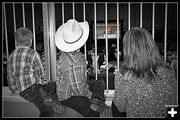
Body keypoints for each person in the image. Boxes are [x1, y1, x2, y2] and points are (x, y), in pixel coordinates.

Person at [112, 27, 177, 117]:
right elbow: (173, 104)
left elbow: (120, 107)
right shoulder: (169, 71)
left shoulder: (123, 75)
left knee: (114, 104)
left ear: (127, 50)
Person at [54, 19, 109, 117]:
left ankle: (96, 101)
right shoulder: (76, 62)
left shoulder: (66, 55)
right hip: (68, 97)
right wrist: (90, 95)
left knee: (98, 83)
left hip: (67, 90)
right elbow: (78, 89)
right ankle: (95, 104)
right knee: (92, 111)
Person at [6, 27, 57, 117]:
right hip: (31, 89)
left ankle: (48, 96)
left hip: (22, 90)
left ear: (17, 41)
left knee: (53, 85)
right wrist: (43, 84)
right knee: (48, 111)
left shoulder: (11, 55)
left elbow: (10, 76)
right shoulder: (32, 53)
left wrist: (13, 89)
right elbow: (40, 72)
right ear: (31, 41)